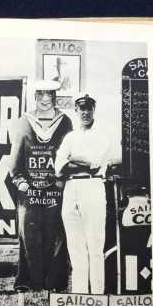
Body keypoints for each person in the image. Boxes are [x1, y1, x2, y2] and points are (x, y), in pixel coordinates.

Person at [8, 80, 73, 291]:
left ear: (55, 97)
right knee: (28, 235)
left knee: (56, 235)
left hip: (55, 188)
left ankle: (55, 282)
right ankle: (28, 282)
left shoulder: (65, 122)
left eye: (50, 94)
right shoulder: (23, 122)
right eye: (41, 94)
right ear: (35, 96)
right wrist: (20, 181)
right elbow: (15, 158)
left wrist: (62, 180)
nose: (45, 99)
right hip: (30, 189)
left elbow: (68, 155)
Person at [55, 94, 111, 294]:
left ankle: (97, 294)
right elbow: (58, 167)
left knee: (95, 246)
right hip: (71, 189)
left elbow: (94, 163)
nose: (85, 112)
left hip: (92, 186)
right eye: (81, 108)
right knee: (75, 248)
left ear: (94, 110)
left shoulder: (102, 135)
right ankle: (79, 295)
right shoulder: (70, 137)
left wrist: (73, 159)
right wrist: (77, 162)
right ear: (76, 111)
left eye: (89, 108)